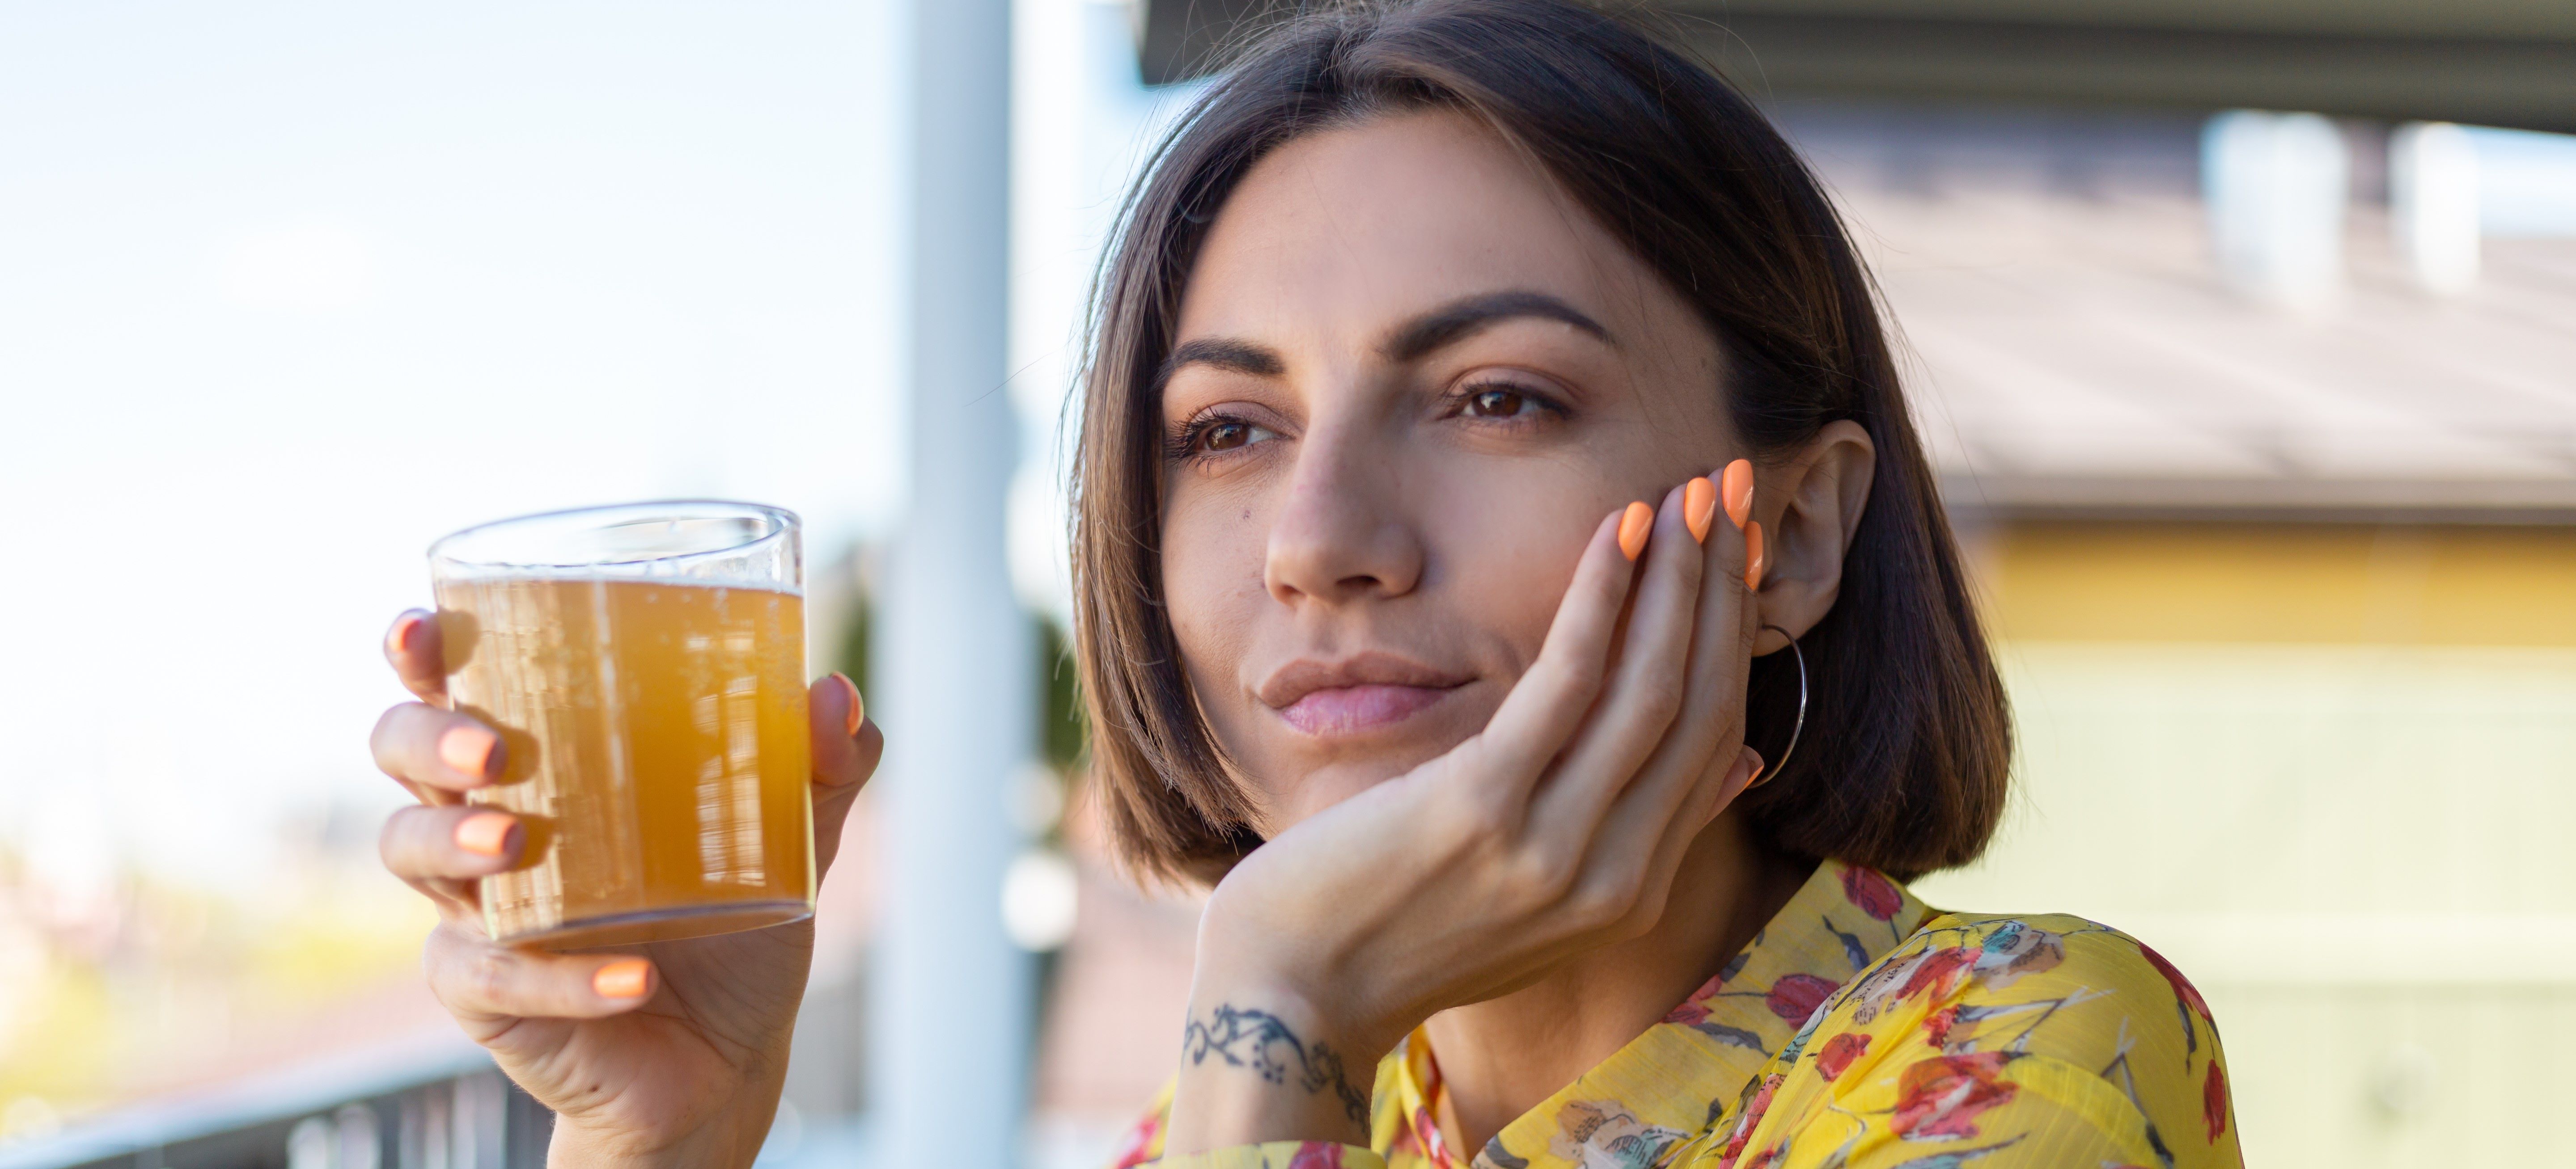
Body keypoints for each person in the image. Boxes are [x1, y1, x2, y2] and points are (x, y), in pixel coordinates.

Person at [369, 0, 2239, 1165]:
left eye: (1498, 398)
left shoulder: (2035, 1055)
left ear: (1797, 537)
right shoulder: (1234, 1112)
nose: (1320, 535)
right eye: (1227, 432)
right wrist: (666, 1139)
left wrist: (1277, 999)